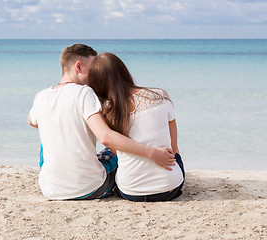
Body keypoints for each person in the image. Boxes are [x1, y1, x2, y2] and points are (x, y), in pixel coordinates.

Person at [28, 44, 176, 200]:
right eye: (93, 70)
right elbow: (105, 137)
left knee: (47, 137)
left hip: (50, 189)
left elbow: (32, 121)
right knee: (111, 151)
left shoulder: (41, 96)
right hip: (91, 187)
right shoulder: (84, 92)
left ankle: (57, 177)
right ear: (78, 66)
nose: (96, 77)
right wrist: (152, 153)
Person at [87, 52, 185, 202]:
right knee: (174, 156)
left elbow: (118, 153)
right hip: (169, 188)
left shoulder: (106, 111)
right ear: (124, 71)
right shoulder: (159, 95)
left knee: (110, 153)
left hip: (131, 192)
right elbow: (174, 147)